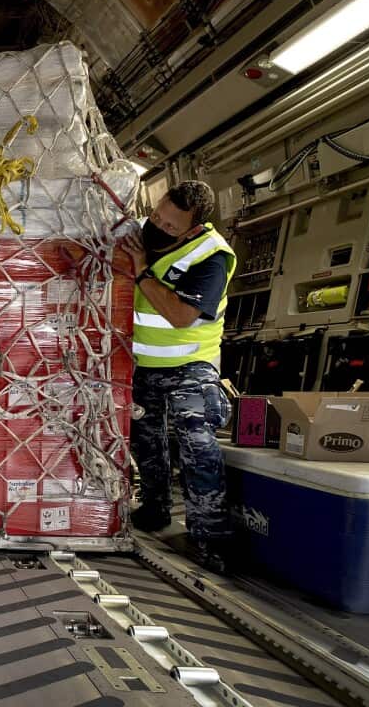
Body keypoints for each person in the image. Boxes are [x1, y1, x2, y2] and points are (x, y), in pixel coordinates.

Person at [119, 180, 237, 573]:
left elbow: (180, 315)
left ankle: (210, 538)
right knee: (145, 439)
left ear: (192, 229)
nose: (157, 227)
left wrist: (142, 274)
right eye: (156, 217)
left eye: (170, 227)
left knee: (197, 440)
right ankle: (154, 510)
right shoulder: (138, 233)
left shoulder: (212, 256)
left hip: (191, 363)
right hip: (142, 364)